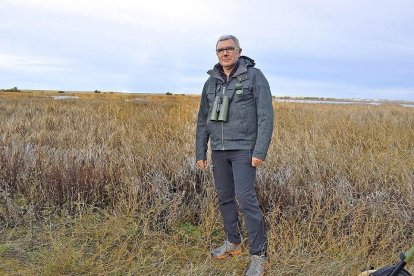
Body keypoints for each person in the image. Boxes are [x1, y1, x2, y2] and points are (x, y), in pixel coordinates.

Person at [195, 35, 274, 276]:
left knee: (246, 198)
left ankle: (260, 256)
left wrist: (259, 150)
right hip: (219, 150)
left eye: (230, 49)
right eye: (220, 50)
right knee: (225, 197)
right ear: (216, 53)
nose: (225, 53)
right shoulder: (212, 82)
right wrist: (201, 150)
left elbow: (265, 116)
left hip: (244, 150)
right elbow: (203, 119)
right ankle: (233, 242)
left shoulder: (254, 76)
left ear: (239, 51)